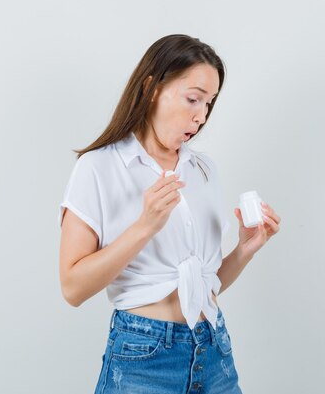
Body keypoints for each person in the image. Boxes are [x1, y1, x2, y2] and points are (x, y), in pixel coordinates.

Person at [57, 34, 281, 394]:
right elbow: (72, 288)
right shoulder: (98, 168)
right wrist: (144, 226)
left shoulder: (204, 170)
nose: (201, 115)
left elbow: (206, 286)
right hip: (144, 359)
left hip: (214, 352)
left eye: (209, 103)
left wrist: (243, 251)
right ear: (151, 89)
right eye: (193, 98)